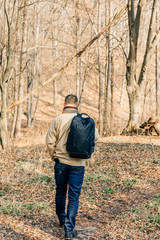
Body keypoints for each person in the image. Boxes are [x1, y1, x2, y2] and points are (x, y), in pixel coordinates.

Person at [46, 94, 99, 239]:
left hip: (61, 163)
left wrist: (54, 157)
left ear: (65, 103)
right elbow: (96, 136)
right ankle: (69, 230)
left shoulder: (58, 119)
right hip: (78, 164)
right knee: (74, 196)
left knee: (61, 191)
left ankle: (61, 220)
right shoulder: (84, 119)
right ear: (77, 105)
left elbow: (50, 142)